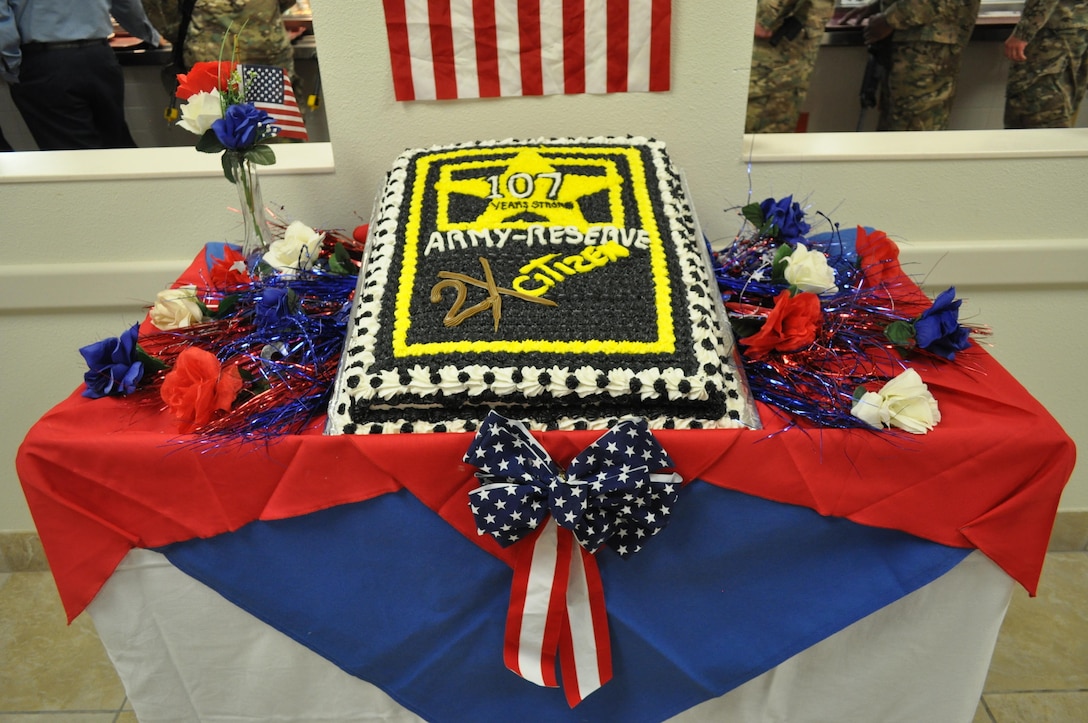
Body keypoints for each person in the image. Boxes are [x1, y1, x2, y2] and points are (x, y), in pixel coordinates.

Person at [0, 0, 162, 150]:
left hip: (44, 62)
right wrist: (150, 35)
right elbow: (126, 4)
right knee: (116, 145)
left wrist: (12, 67)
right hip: (99, 55)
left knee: (73, 156)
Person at [842, 0, 981, 131]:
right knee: (895, 133)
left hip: (928, 50)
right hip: (911, 47)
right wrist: (880, 7)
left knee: (916, 134)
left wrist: (890, 18)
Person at [142, 0, 296, 80]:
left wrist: (195, 33)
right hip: (267, 50)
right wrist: (254, 23)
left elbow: (162, 14)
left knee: (220, 132)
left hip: (210, 57)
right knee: (277, 129)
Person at [746, 0, 837, 133]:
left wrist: (764, 18)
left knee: (761, 129)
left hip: (774, 42)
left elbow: (762, 27)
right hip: (781, 38)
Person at [1004, 0, 1088, 128]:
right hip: (1077, 24)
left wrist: (1023, 33)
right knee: (1066, 100)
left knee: (1037, 109)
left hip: (1054, 31)